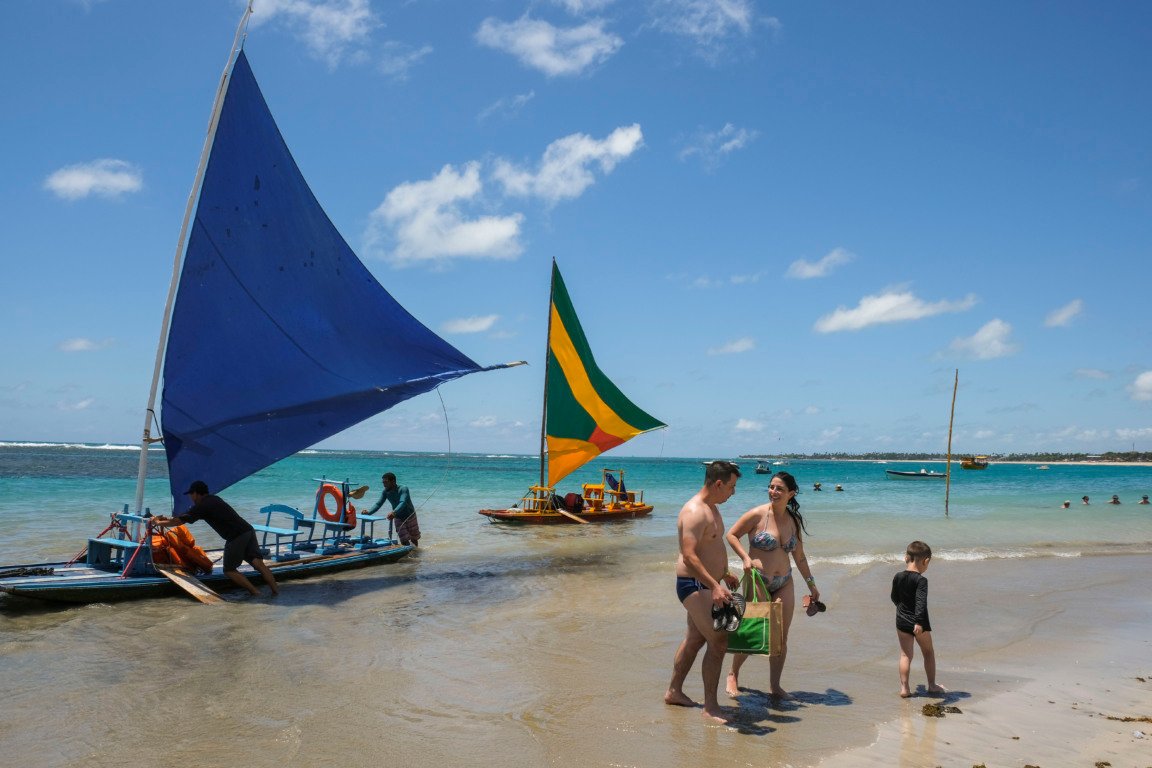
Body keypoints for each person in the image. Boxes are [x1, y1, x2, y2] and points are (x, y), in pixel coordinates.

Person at [724, 470, 818, 700]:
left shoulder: (793, 520)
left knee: (780, 637)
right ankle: (732, 674)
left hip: (784, 581)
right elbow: (732, 535)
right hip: (759, 580)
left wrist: (811, 585)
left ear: (791, 493)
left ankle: (775, 686)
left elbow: (800, 557)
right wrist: (746, 559)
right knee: (754, 630)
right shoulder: (757, 515)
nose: (773, 492)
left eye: (779, 489)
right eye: (771, 487)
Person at [664, 460, 742, 724]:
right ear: (718, 483)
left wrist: (724, 573)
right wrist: (715, 585)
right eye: (731, 487)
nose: (733, 492)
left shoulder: (713, 508)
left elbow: (710, 549)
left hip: (706, 583)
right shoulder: (695, 511)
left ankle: (674, 691)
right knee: (718, 642)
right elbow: (689, 556)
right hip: (694, 586)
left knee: (695, 639)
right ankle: (710, 707)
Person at [152, 480, 279, 596]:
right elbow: (182, 517)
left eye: (191, 494)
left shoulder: (202, 506)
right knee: (258, 563)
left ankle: (256, 593)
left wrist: (157, 523)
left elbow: (178, 522)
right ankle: (275, 593)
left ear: (196, 493)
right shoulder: (213, 499)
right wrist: (165, 520)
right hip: (247, 530)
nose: (190, 497)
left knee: (229, 570)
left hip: (236, 536)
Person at [891, 540, 944, 698]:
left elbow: (894, 597)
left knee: (905, 655)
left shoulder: (898, 576)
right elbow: (921, 602)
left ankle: (904, 688)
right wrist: (919, 622)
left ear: (906, 558)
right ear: (925, 561)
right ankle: (932, 685)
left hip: (901, 620)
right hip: (919, 623)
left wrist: (902, 610)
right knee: (928, 652)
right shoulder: (921, 580)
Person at [366, 472, 420, 546]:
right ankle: (407, 556)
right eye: (383, 482)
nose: (384, 484)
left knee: (414, 538)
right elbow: (378, 504)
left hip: (410, 515)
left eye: (386, 482)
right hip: (398, 517)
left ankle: (416, 553)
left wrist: (394, 512)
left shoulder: (403, 489)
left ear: (393, 481)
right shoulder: (385, 492)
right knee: (403, 539)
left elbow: (402, 502)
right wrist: (368, 512)